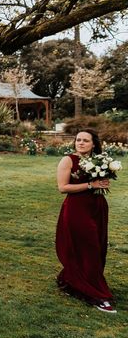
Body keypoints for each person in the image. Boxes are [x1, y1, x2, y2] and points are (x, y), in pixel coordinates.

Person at [55, 129, 115, 313]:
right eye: (78, 140)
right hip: (76, 210)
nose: (80, 143)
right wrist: (91, 185)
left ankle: (72, 279)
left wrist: (103, 182)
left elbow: (102, 182)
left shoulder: (101, 160)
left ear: (93, 144)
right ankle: (97, 294)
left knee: (97, 247)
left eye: (85, 140)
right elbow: (62, 187)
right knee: (88, 249)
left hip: (97, 208)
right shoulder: (68, 160)